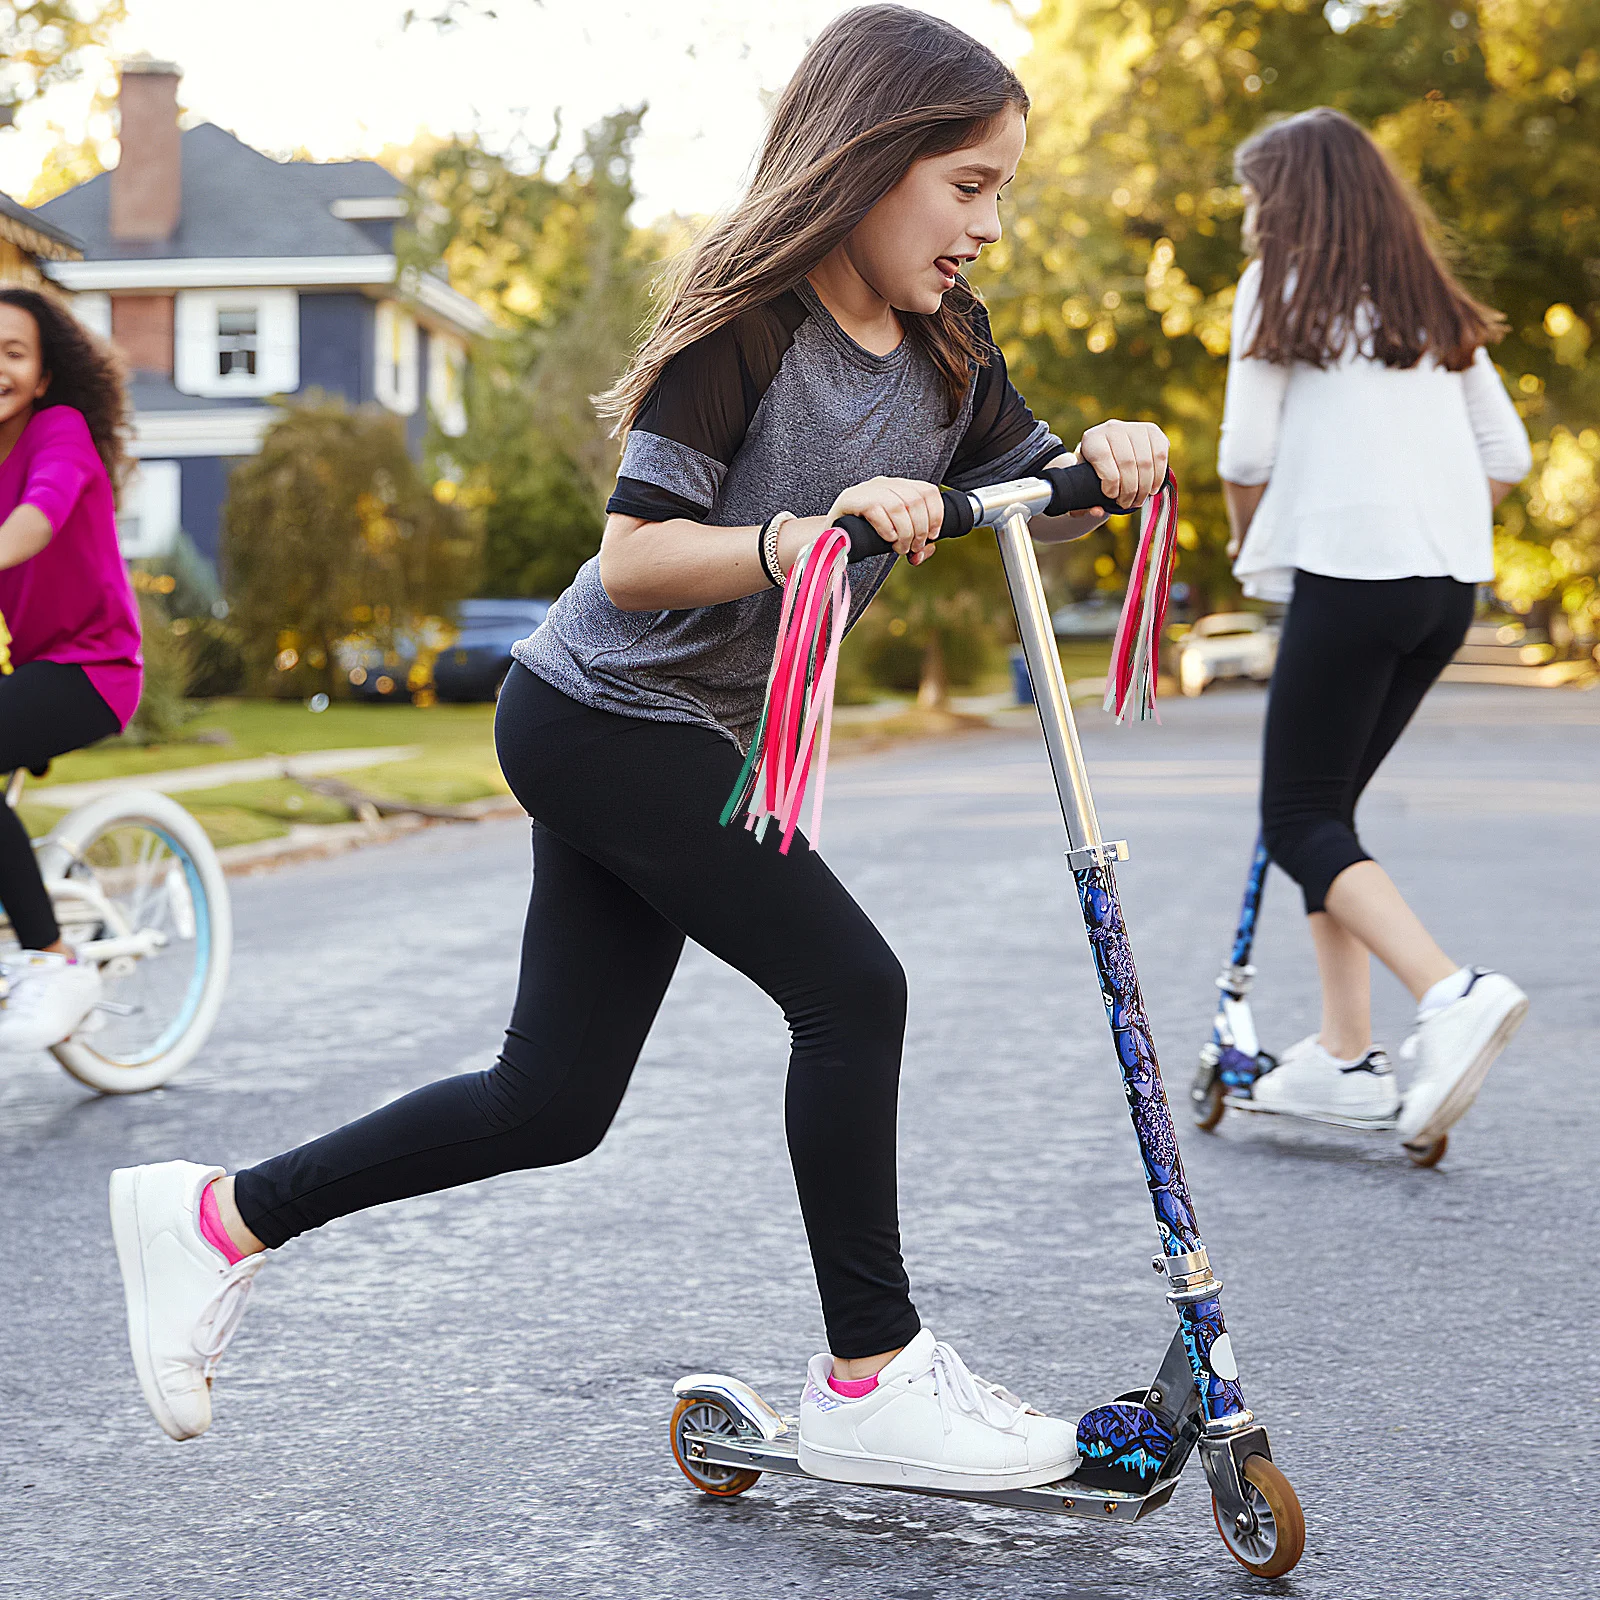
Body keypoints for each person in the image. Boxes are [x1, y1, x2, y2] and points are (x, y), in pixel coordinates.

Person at [109, 6, 1169, 1491]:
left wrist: (1104, 464)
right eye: (968, 186)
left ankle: (216, 1218)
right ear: (869, 162)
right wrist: (800, 535)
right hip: (602, 715)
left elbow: (1023, 489)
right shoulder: (743, 322)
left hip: (681, 734)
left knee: (551, 1102)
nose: (990, 225)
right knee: (851, 987)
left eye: (1002, 190)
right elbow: (635, 558)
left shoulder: (948, 345)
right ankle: (871, 1374)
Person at [1217, 107, 1532, 1152]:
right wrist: (1429, 515)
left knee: (1297, 814)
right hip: (1443, 590)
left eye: (1256, 195)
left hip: (1350, 580)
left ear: (1289, 198)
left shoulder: (1275, 286)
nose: (1251, 215)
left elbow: (1244, 454)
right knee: (1328, 813)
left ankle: (1450, 991)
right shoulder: (1428, 302)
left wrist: (1250, 543)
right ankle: (1346, 1052)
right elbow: (1508, 455)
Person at [0, 287, 141, 1052]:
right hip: (32, 668)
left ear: (44, 377)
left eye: (13, 353)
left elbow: (38, 516)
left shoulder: (60, 432)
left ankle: (53, 959)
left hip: (96, 670)